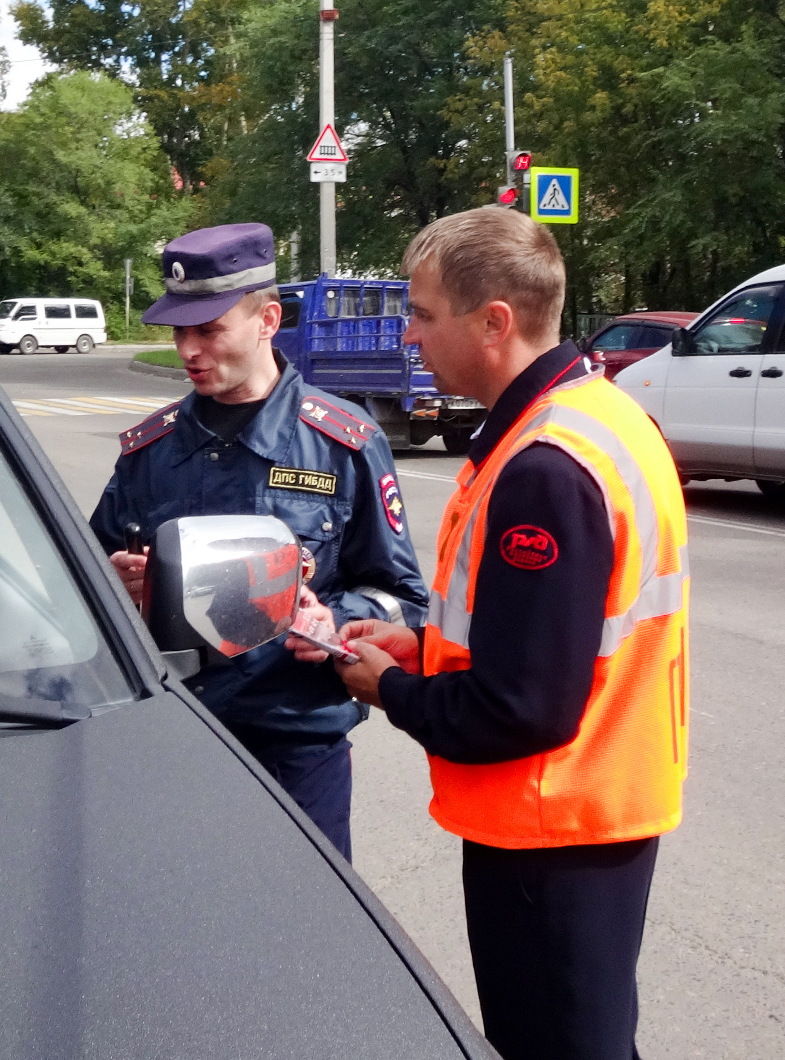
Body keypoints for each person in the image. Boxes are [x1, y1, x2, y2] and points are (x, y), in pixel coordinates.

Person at [309, 206, 689, 1060]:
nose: (409, 337)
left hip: (550, 825)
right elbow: (545, 636)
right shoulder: (598, 414)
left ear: (495, 322)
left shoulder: (545, 467)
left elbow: (523, 707)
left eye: (422, 314)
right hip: (601, 807)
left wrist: (391, 688)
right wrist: (424, 648)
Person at [91, 222, 428, 860]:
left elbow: (402, 597)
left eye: (209, 329)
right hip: (179, 738)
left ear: (268, 319)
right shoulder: (150, 452)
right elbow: (82, 583)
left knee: (307, 939)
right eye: (178, 330)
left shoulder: (344, 443)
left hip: (296, 746)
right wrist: (120, 584)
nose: (189, 349)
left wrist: (333, 617)